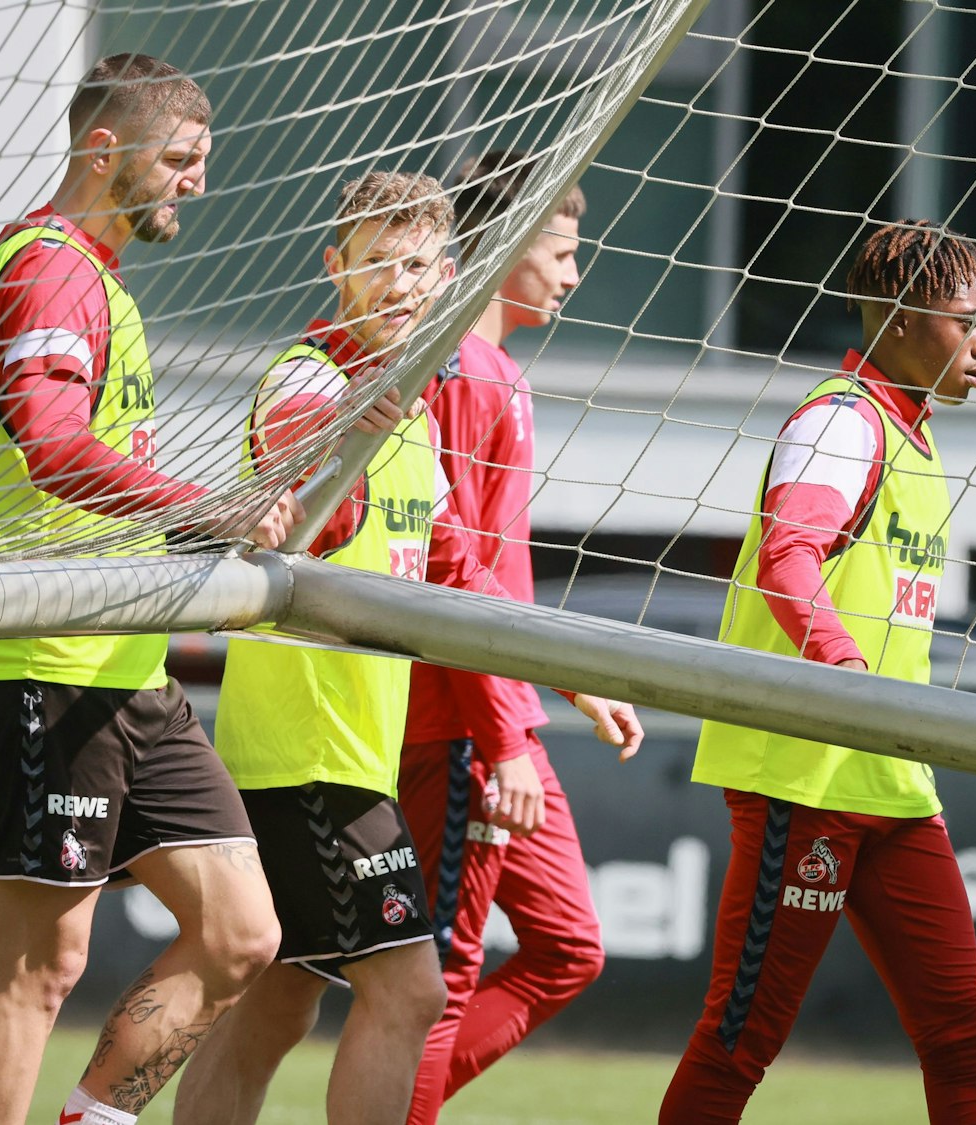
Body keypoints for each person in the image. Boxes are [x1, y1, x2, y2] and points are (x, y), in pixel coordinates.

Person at [170, 170, 640, 1125]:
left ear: (448, 276)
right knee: (413, 992)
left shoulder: (412, 407)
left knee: (278, 998)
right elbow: (304, 497)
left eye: (417, 264)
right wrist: (347, 437)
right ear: (335, 267)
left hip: (342, 754)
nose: (398, 283)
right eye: (377, 262)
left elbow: (465, 581)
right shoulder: (314, 380)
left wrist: (574, 684)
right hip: (309, 758)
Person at [0, 54, 301, 1125]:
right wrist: (209, 508)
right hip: (39, 659)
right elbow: (52, 447)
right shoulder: (49, 265)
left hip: (124, 667)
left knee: (242, 930)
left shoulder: (101, 282)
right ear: (104, 151)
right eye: (181, 157)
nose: (198, 180)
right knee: (38, 966)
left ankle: (92, 1117)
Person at [659, 220, 976, 1125]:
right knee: (741, 1040)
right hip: (804, 775)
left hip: (890, 778)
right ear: (898, 320)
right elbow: (789, 557)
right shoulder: (840, 421)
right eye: (965, 321)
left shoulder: (918, 438)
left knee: (965, 1030)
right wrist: (848, 674)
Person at [399, 150, 605, 1123]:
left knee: (567, 949)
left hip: (500, 709)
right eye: (562, 250)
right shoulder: (460, 375)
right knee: (438, 973)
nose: (573, 272)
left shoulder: (497, 374)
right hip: (464, 721)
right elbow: (450, 577)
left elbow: (494, 576)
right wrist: (505, 735)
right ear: (510, 243)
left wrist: (567, 677)